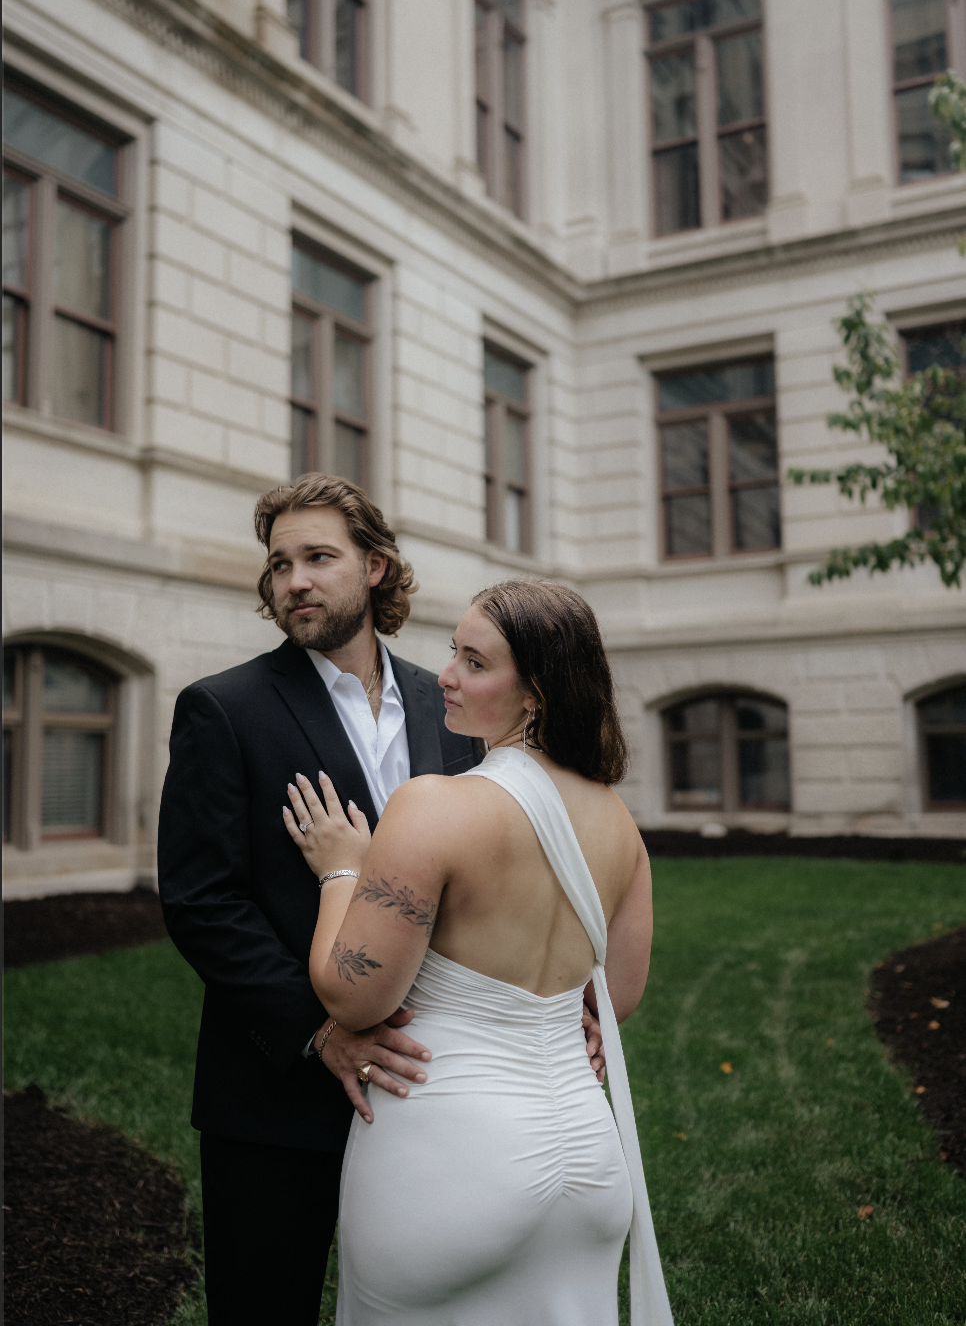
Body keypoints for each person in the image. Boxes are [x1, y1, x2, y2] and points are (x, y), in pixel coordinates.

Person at [282, 578, 674, 1326]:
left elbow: (353, 996)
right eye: (452, 653)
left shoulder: (435, 805)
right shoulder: (617, 819)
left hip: (449, 1157)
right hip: (591, 1164)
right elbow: (614, 999)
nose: (448, 678)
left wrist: (341, 868)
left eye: (475, 662)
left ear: (537, 695)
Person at [157, 475, 487, 1326]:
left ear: (375, 567)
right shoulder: (222, 710)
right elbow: (201, 902)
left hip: (430, 1081)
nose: (294, 581)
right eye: (278, 565)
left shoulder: (445, 704)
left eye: (317, 558)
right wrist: (321, 1032)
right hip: (275, 1096)